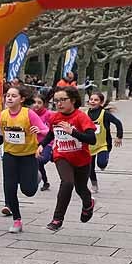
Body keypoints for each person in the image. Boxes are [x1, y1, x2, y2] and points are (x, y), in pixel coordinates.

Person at [0, 85, 49, 233]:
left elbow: (46, 130)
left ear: (22, 99)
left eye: (14, 96)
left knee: (29, 191)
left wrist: (40, 130)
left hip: (28, 156)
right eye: (8, 96)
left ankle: (36, 177)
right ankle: (17, 220)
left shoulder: (29, 114)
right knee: (9, 187)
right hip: (10, 156)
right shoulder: (2, 115)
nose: (9, 98)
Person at [37, 86, 97, 231]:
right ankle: (57, 218)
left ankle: (88, 204)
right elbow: (52, 134)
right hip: (61, 156)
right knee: (67, 183)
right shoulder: (55, 117)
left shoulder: (81, 117)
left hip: (82, 159)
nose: (59, 104)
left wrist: (73, 132)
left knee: (81, 188)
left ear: (73, 100)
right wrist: (41, 145)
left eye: (63, 100)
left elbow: (92, 139)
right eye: (56, 101)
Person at [86, 92, 124, 194]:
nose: (93, 101)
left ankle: (103, 162)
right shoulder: (85, 114)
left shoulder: (105, 114)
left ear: (101, 103)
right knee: (90, 167)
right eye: (91, 99)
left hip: (103, 144)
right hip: (89, 145)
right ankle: (94, 185)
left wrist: (119, 136)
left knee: (101, 163)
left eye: (96, 100)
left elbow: (118, 123)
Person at [32, 92, 54, 192]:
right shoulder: (30, 114)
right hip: (33, 144)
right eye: (34, 102)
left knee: (42, 160)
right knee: (38, 162)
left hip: (47, 143)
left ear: (44, 104)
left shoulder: (49, 114)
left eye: (39, 102)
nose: (36, 105)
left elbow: (51, 131)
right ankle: (45, 182)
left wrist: (40, 131)